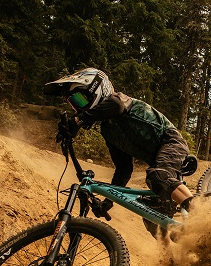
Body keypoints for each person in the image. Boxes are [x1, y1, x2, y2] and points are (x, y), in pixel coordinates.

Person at [44, 67, 194, 213]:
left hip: (171, 142)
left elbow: (116, 106)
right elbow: (124, 169)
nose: (79, 108)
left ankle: (199, 210)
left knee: (158, 176)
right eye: (74, 104)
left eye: (80, 100)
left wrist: (78, 120)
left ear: (96, 90)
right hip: (158, 162)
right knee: (152, 214)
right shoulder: (108, 130)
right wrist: (108, 201)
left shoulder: (118, 99)